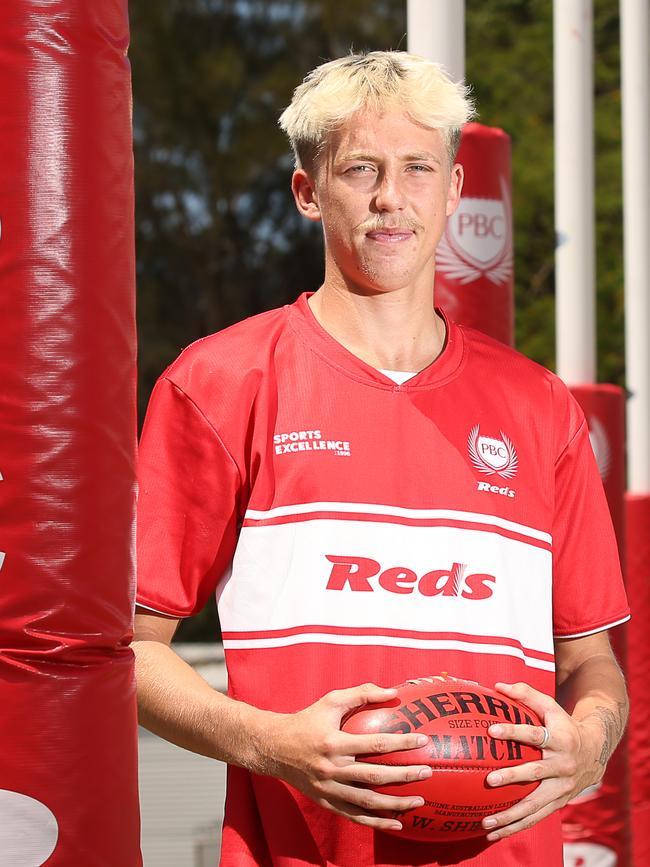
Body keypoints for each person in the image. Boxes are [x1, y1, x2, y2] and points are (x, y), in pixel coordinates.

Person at [133, 51, 630, 867]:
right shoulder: (219, 382)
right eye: (360, 168)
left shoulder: (540, 407)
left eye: (417, 168)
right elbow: (132, 649)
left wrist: (589, 742)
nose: (391, 197)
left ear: (454, 189)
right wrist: (271, 743)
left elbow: (591, 661)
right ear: (308, 192)